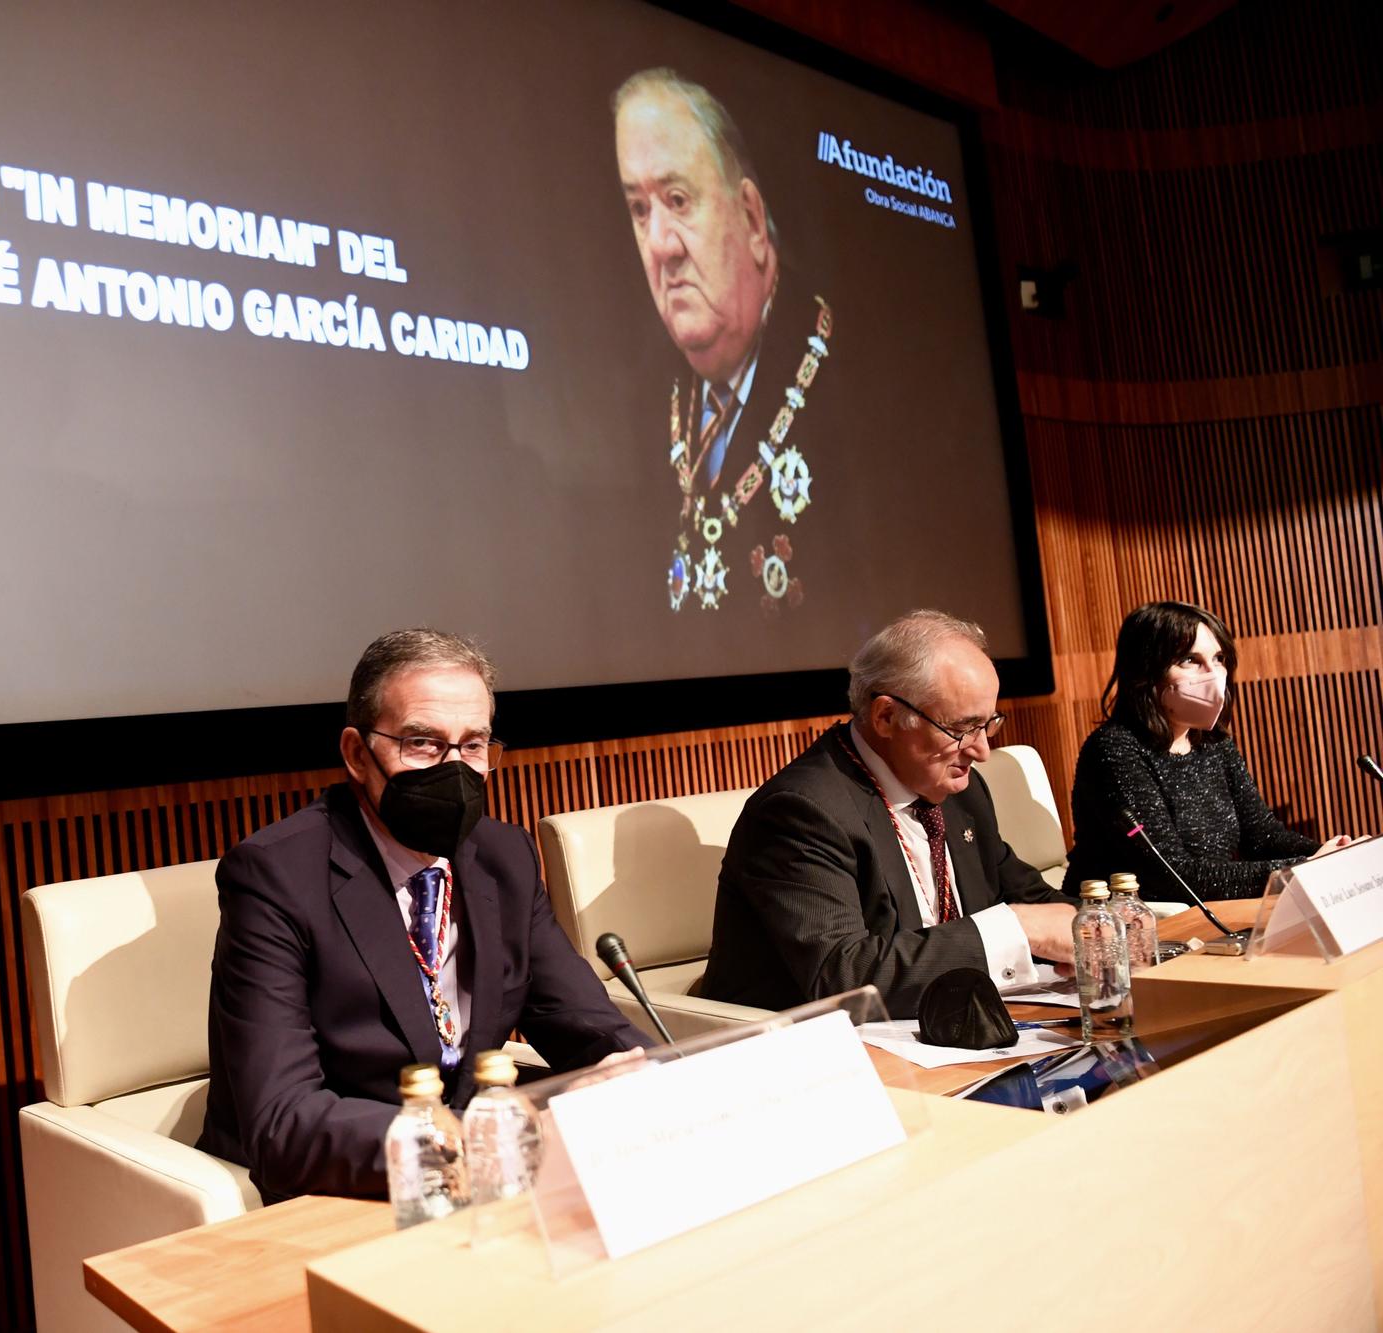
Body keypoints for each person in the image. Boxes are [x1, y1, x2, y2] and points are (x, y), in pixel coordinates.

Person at [197, 629, 648, 1202]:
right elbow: (282, 1119)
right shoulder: (276, 877)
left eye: (474, 745)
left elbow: (586, 1026)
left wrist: (641, 1081)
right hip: (343, 1185)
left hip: (484, 1177)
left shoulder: (502, 858)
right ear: (358, 755)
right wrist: (469, 1141)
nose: (454, 769)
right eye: (424, 744)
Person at [698, 610, 1073, 1017]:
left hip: (944, 1032)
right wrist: (1017, 928)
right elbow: (843, 977)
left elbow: (1036, 903)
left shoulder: (962, 792)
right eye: (962, 729)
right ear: (886, 717)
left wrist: (1109, 926)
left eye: (988, 724)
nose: (981, 750)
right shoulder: (801, 812)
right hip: (816, 1054)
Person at [613, 67, 833, 617]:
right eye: (641, 210)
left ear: (753, 220)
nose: (660, 246)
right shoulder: (639, 406)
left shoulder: (855, 389)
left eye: (680, 200)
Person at [1065, 601, 1360, 900]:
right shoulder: (1114, 749)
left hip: (1204, 909)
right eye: (1190, 660)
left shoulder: (1213, 743)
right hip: (1124, 922)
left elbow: (1263, 836)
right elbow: (1170, 874)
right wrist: (1302, 869)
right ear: (1146, 672)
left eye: (1218, 658)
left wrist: (1333, 857)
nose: (1213, 674)